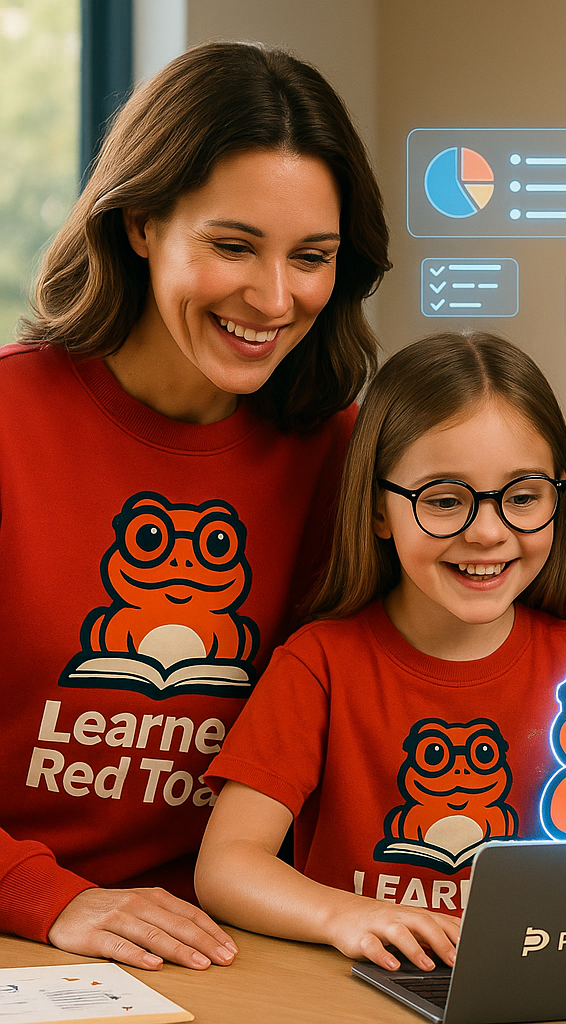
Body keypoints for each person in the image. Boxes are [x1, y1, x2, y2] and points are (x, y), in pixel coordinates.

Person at [0, 41, 390, 972]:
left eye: (313, 257)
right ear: (139, 223)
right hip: (30, 935)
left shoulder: (348, 457)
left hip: (247, 947)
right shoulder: (10, 422)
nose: (273, 297)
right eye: (232, 245)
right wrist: (49, 897)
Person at [194, 332, 566, 971]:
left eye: (524, 496)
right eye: (445, 500)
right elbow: (226, 865)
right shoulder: (319, 664)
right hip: (351, 992)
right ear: (378, 509)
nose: (489, 531)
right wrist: (347, 915)